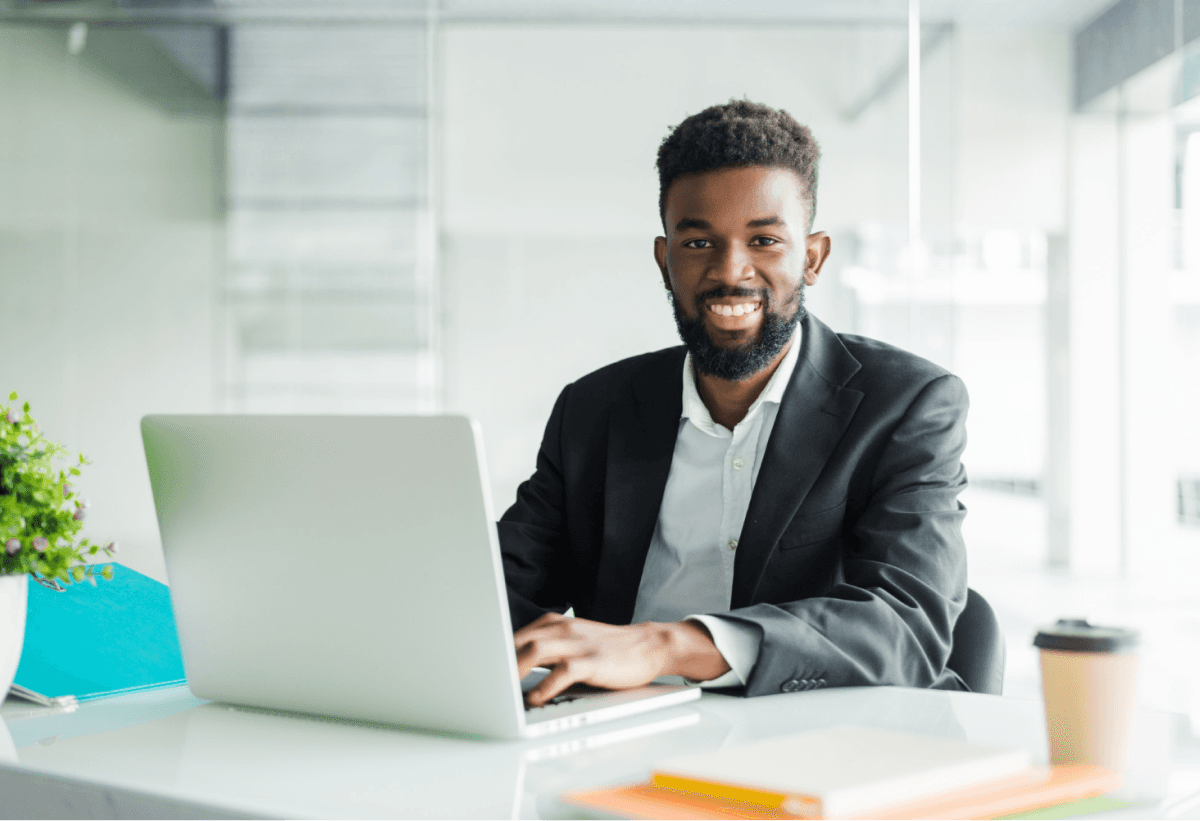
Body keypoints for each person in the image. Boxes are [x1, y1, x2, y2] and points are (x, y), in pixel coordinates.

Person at [500, 100, 969, 706]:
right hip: (613, 731)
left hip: (814, 735)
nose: (731, 270)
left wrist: (666, 646)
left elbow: (907, 626)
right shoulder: (595, 408)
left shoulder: (906, 404)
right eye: (698, 242)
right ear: (665, 262)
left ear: (814, 257)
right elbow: (503, 588)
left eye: (765, 239)